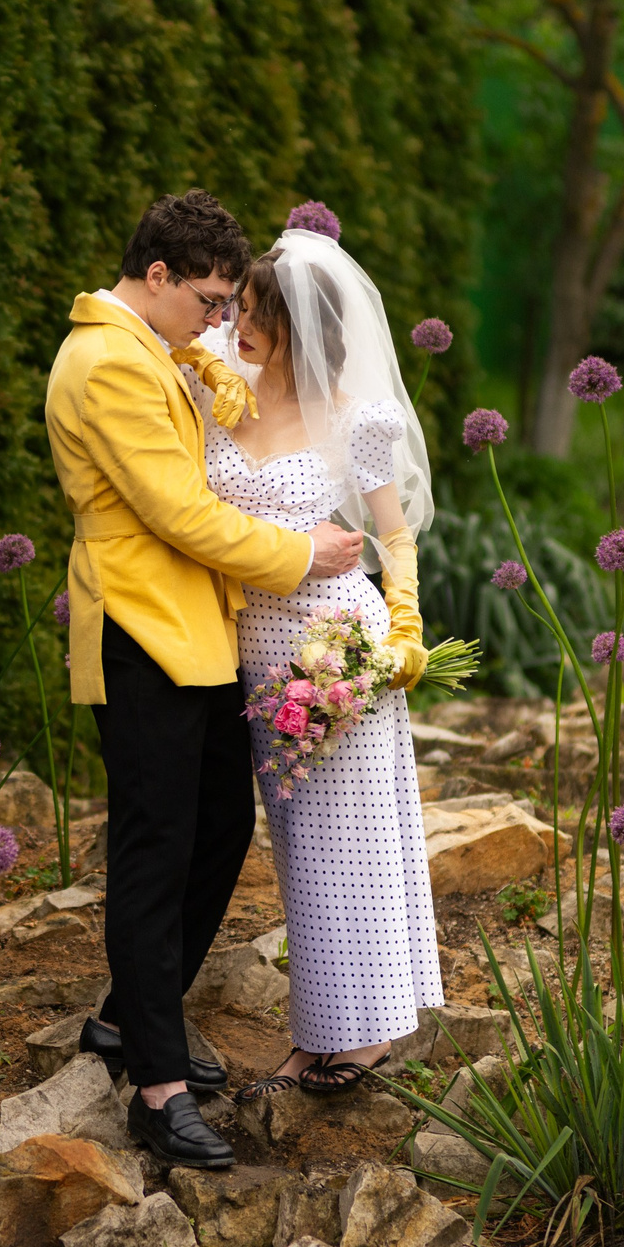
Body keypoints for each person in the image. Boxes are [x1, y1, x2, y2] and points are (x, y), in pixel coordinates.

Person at [43, 191, 365, 1170]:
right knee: (155, 853)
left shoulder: (162, 350)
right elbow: (181, 511)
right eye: (213, 298)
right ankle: (157, 1088)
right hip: (142, 631)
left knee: (220, 828)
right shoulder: (103, 362)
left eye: (230, 302)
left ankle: (127, 1020)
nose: (222, 319)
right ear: (156, 276)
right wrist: (300, 554)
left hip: (199, 634)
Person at [201, 228, 444, 1105]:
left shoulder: (356, 416)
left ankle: (356, 1037)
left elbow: (394, 533)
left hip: (337, 649)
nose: (241, 324)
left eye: (259, 314)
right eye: (239, 311)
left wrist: (404, 630)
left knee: (352, 842)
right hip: (254, 653)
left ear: (303, 327)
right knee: (297, 848)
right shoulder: (214, 395)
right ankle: (329, 1027)